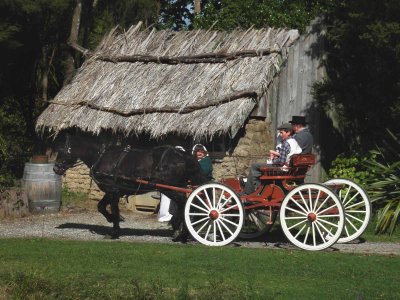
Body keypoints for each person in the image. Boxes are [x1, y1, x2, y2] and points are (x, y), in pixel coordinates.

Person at [244, 123, 301, 194]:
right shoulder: (294, 142)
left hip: (281, 169)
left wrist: (272, 159)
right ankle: (260, 189)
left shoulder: (286, 144)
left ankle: (248, 192)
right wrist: (276, 155)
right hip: (289, 169)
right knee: (260, 167)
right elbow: (286, 156)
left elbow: (281, 162)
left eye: (281, 132)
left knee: (254, 166)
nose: (280, 134)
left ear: (288, 132)